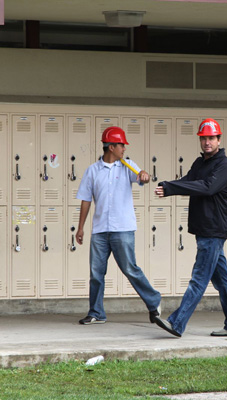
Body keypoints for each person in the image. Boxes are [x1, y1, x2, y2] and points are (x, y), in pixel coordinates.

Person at [152, 118, 227, 338]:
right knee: (223, 281)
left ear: (219, 140)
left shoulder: (225, 165)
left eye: (211, 138)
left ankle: (177, 322)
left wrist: (170, 187)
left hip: (214, 229)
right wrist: (169, 188)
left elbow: (207, 187)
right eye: (203, 138)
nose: (207, 142)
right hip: (204, 229)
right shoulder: (199, 163)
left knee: (199, 278)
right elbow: (189, 181)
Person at [76, 126, 161, 325]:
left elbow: (141, 176)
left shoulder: (128, 165)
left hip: (123, 228)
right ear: (111, 146)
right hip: (99, 231)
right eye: (121, 145)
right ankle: (96, 312)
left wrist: (145, 176)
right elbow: (85, 200)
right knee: (96, 274)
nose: (124, 148)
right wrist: (80, 228)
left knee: (130, 269)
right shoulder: (93, 171)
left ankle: (154, 302)